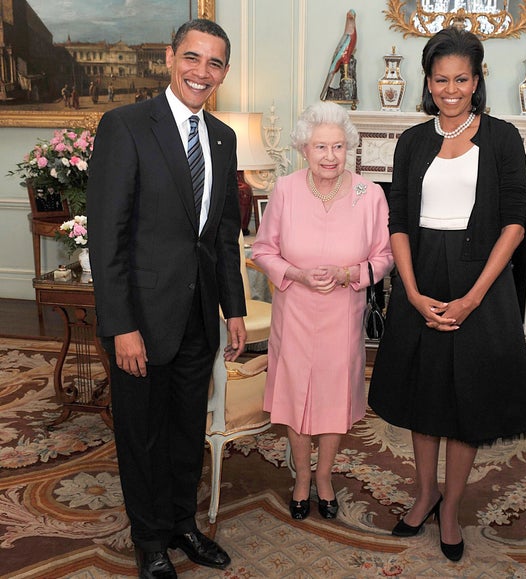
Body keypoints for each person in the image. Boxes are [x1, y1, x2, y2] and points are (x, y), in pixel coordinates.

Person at [87, 19, 246, 578]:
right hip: (141, 321)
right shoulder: (125, 127)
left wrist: (235, 310)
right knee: (142, 435)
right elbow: (107, 237)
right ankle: (149, 538)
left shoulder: (223, 138)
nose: (202, 73)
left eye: (215, 63)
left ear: (225, 72)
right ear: (169, 58)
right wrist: (121, 324)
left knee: (185, 432)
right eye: (193, 58)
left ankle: (182, 523)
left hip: (199, 317)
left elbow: (224, 234)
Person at [368, 27, 526, 562]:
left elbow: (514, 223)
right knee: (424, 395)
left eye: (461, 78)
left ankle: (452, 507)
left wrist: (473, 298)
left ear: (478, 79)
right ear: (428, 81)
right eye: (441, 79)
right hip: (422, 275)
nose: (451, 88)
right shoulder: (412, 141)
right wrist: (410, 292)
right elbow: (397, 222)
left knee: (466, 402)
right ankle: (424, 494)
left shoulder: (504, 137)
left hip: (479, 281)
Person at [252, 101, 393, 522]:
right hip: (294, 310)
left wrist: (351, 272)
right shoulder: (285, 189)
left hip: (342, 314)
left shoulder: (371, 194)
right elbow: (262, 250)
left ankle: (326, 477)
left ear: (348, 147)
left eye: (337, 146)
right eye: (320, 147)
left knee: (333, 397)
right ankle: (300, 480)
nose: (329, 156)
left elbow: (384, 257)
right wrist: (295, 273)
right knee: (295, 395)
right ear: (304, 149)